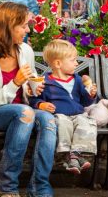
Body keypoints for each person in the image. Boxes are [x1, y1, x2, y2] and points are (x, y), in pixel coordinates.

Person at [0, 2, 57, 197]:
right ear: (8, 26)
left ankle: (39, 187)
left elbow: (29, 83)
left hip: (22, 113)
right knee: (25, 112)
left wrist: (33, 87)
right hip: (0, 112)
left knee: (47, 120)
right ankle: (6, 186)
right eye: (23, 26)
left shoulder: (25, 51)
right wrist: (15, 83)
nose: (28, 30)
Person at [29, 39, 98, 175]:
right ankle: (68, 156)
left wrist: (91, 95)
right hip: (59, 114)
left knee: (87, 121)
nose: (76, 63)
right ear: (58, 63)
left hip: (78, 114)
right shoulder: (45, 82)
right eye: (73, 60)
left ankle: (76, 154)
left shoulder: (77, 80)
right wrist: (41, 104)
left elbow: (85, 102)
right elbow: (34, 100)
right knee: (62, 123)